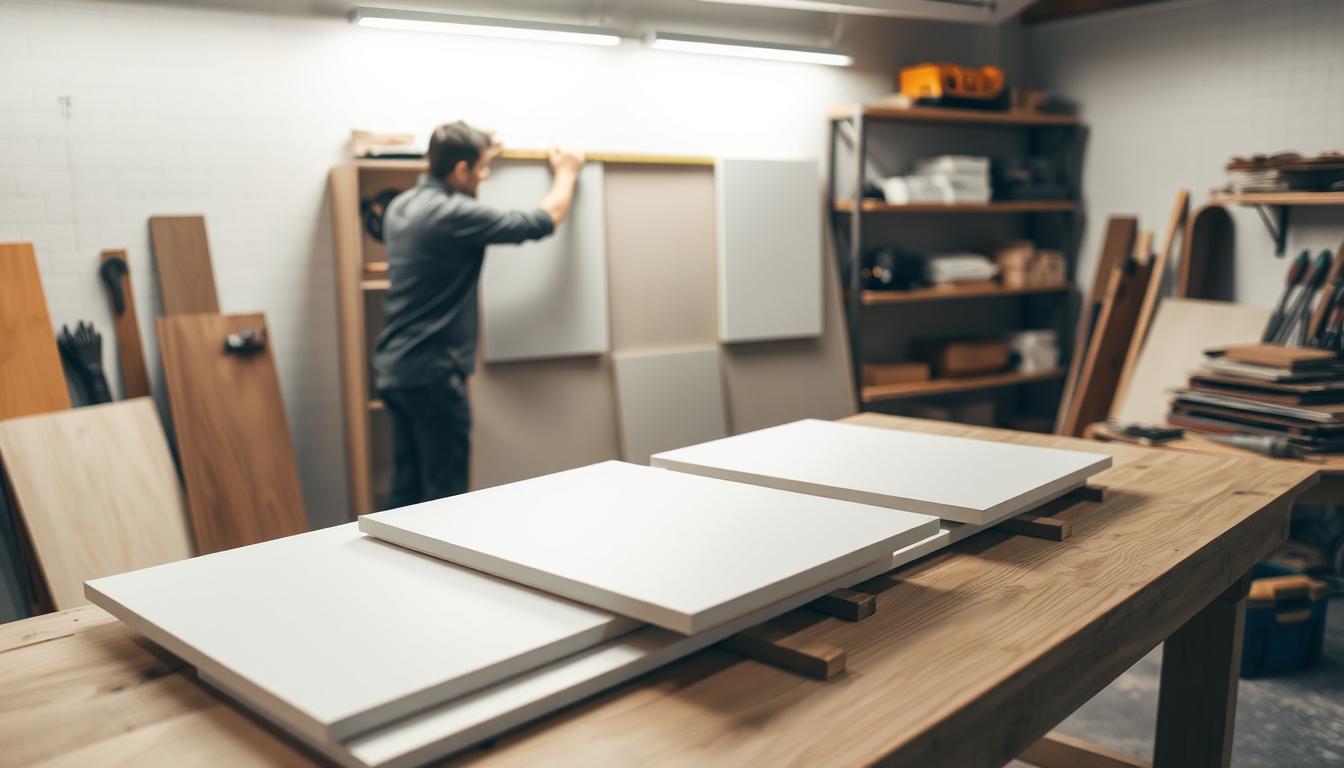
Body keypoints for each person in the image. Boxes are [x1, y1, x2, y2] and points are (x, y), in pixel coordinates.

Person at [373, 121, 584, 508]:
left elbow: (458, 171)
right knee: (445, 498)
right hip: (434, 374)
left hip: (396, 371)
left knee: (407, 490)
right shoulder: (454, 214)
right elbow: (541, 220)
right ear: (459, 170)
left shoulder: (401, 206)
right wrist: (568, 171)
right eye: (481, 168)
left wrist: (480, 149)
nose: (486, 176)